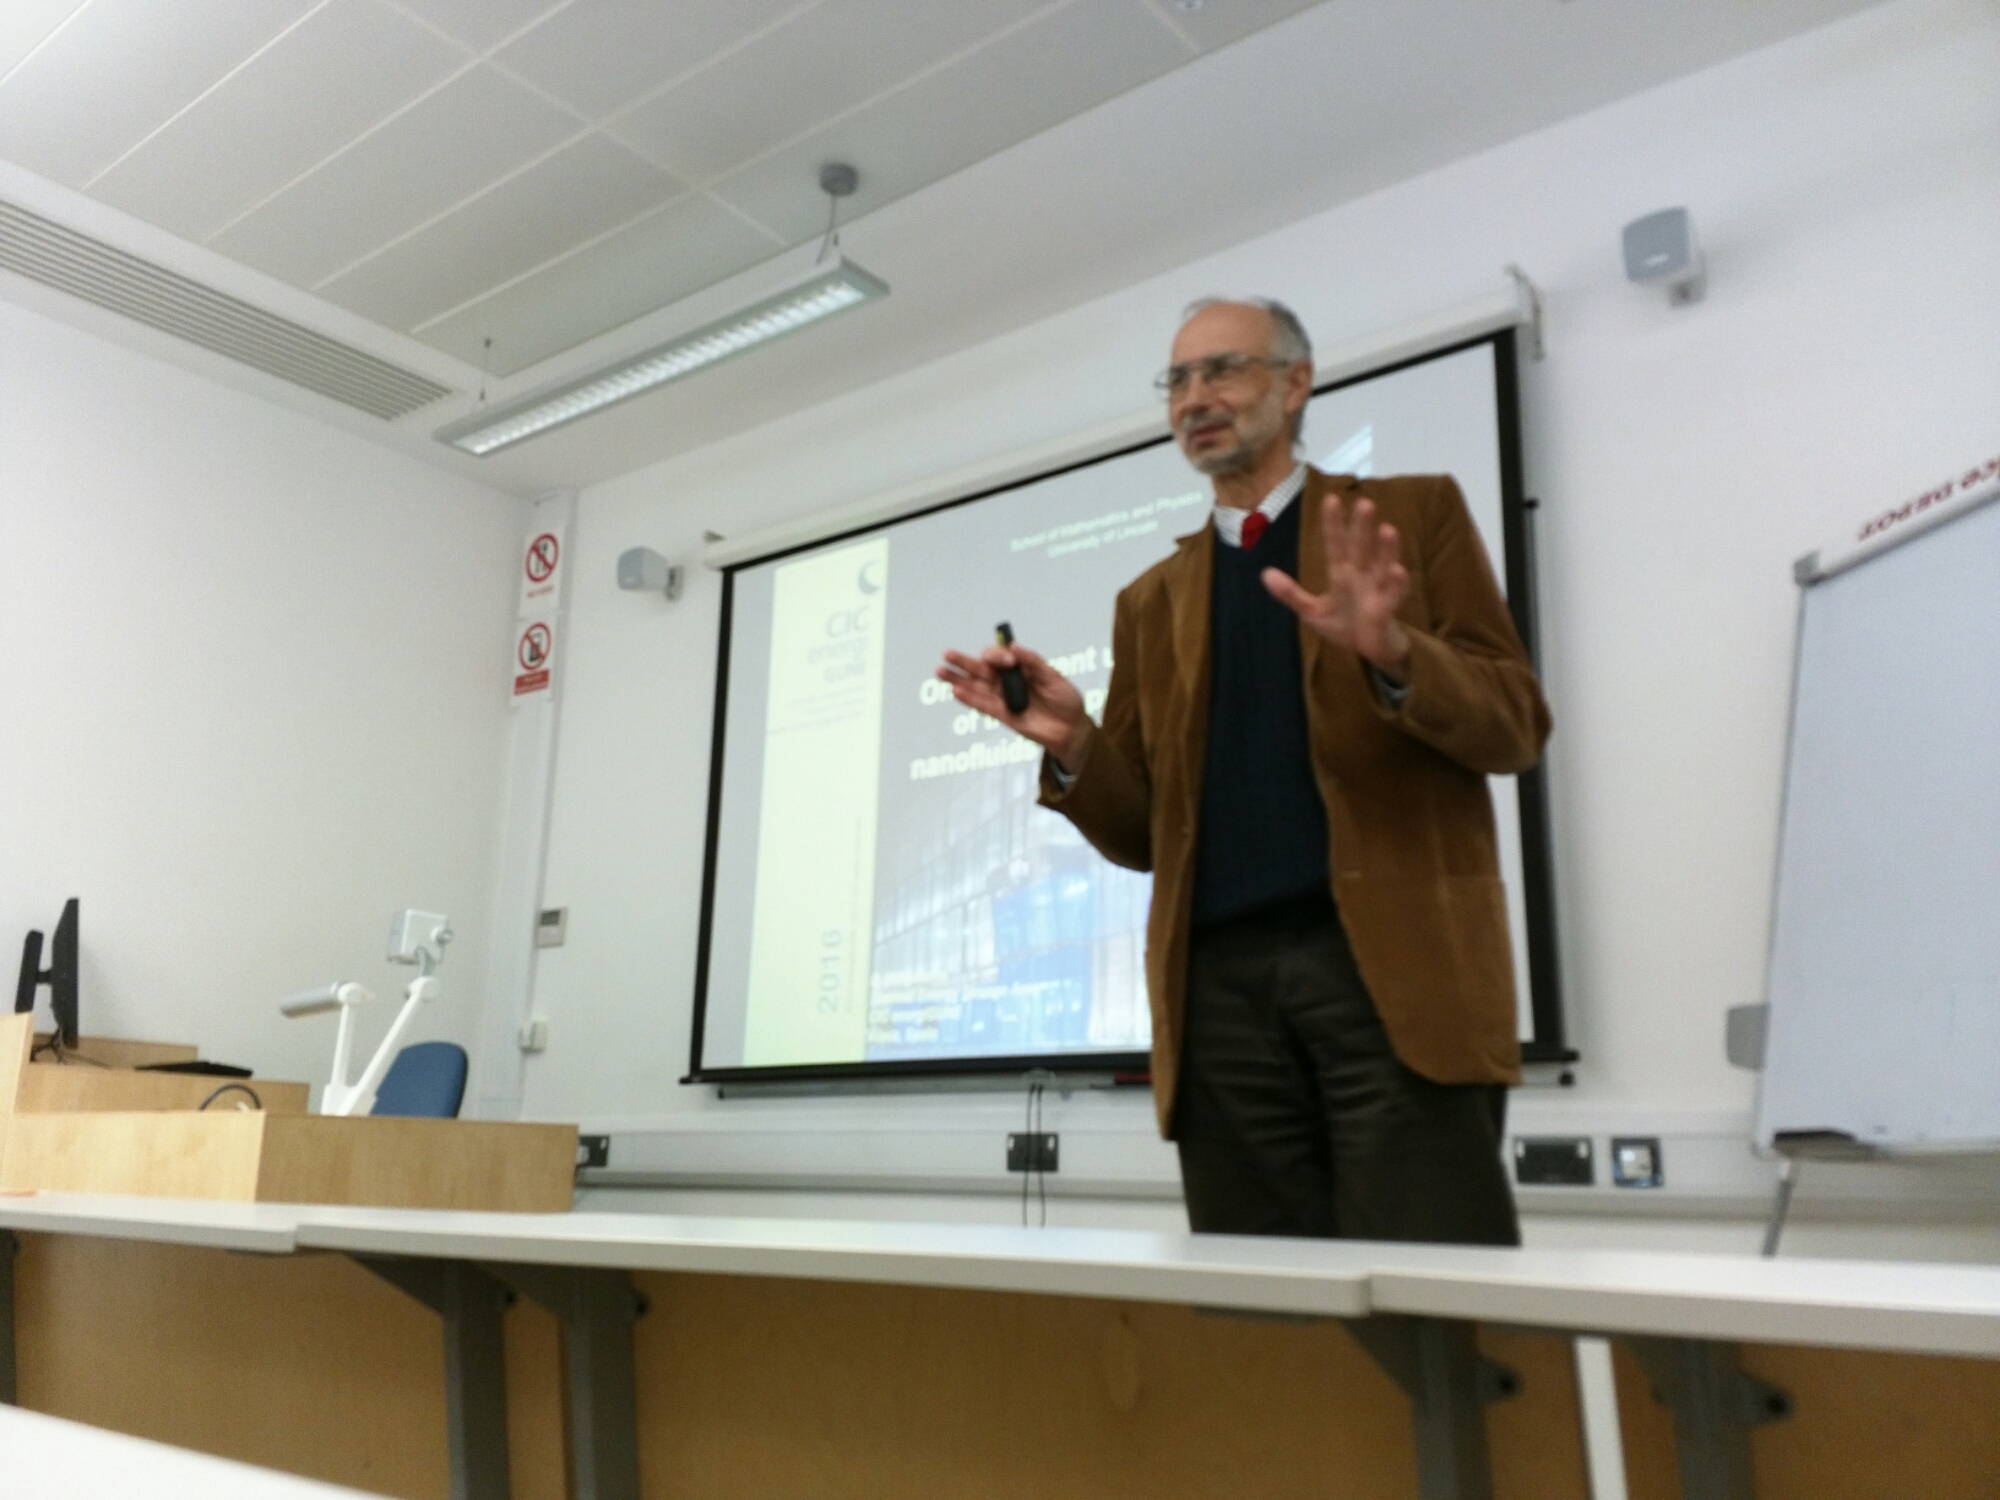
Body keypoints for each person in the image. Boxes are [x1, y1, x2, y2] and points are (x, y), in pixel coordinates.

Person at [938, 298, 1550, 1246]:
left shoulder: (1410, 515)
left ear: (1295, 383)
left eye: (1222, 369)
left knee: (1429, 1290)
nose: (1195, 398)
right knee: (1261, 1306)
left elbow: (1515, 727)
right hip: (1216, 994)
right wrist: (1075, 744)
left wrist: (1397, 654)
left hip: (1389, 971)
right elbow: (1145, 836)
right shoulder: (1151, 601)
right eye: (1177, 380)